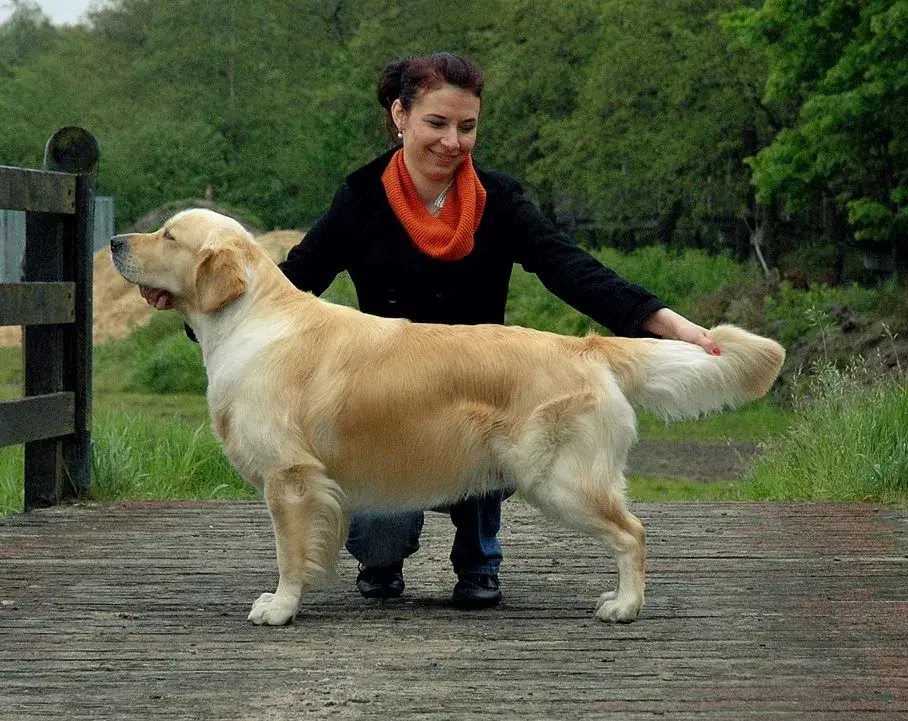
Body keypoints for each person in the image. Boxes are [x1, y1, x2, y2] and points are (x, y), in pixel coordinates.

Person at [141, 52, 714, 610]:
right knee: (383, 534)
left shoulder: (498, 200)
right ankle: (381, 561)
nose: (453, 142)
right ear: (400, 116)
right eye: (436, 123)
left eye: (467, 127)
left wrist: (668, 325)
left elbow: (572, 269)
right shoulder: (362, 198)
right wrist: (195, 297)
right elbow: (291, 283)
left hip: (483, 383)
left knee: (496, 435)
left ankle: (479, 560)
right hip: (388, 395)